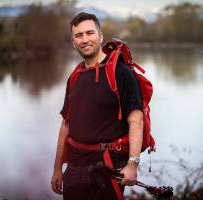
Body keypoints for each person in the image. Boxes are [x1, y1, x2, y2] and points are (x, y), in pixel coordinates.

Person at [50, 12, 144, 200]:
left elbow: (136, 120)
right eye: (79, 35)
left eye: (89, 33)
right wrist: (57, 168)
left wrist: (133, 165)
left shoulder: (121, 72)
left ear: (100, 36)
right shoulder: (75, 76)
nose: (85, 39)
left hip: (107, 168)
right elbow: (66, 125)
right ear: (73, 41)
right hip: (75, 170)